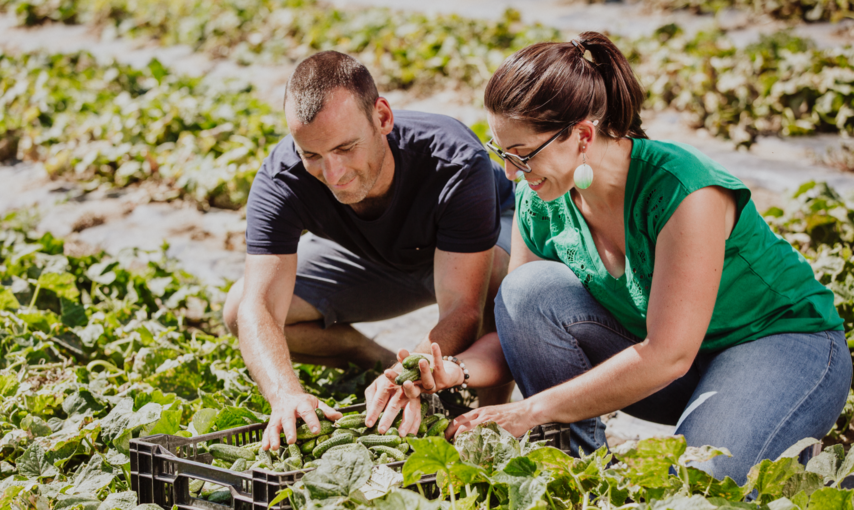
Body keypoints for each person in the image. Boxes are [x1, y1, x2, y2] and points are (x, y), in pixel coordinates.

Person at [388, 32, 851, 485]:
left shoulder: (683, 190)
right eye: (502, 152)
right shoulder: (542, 196)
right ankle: (577, 466)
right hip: (677, 371)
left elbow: (668, 354)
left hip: (783, 347)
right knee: (524, 292)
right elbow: (519, 327)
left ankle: (785, 428)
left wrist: (529, 411)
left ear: (583, 135)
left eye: (523, 155)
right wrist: (454, 369)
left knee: (700, 483)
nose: (510, 172)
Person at [222, 50, 516, 451]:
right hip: (378, 259)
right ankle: (371, 358)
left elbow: (462, 307)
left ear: (382, 118)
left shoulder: (453, 159)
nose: (333, 174)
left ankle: (484, 422)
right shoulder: (282, 178)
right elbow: (258, 307)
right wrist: (284, 393)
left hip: (467, 254)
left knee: (507, 284)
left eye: (345, 148)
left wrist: (411, 371)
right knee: (238, 305)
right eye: (312, 155)